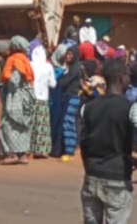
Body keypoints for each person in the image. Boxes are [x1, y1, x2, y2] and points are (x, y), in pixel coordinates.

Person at [80, 59, 137, 224]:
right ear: (121, 78)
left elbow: (84, 142)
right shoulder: (130, 108)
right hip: (117, 180)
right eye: (127, 75)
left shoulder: (88, 107)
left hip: (91, 177)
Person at [0, 36, 35, 165]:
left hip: (15, 97)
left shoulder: (14, 60)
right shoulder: (25, 60)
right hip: (26, 97)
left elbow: (14, 80)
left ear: (14, 47)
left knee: (7, 125)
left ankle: (11, 154)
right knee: (23, 126)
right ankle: (23, 155)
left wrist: (5, 84)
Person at [29, 44, 56, 158]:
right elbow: (53, 84)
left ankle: (27, 148)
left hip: (30, 98)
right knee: (41, 124)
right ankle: (40, 150)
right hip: (43, 98)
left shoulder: (29, 64)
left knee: (30, 123)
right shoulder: (48, 66)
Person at [59, 45, 82, 162]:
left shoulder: (74, 68)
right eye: (67, 54)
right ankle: (69, 148)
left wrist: (59, 79)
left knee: (67, 123)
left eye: (70, 54)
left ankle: (69, 150)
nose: (68, 56)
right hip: (70, 97)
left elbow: (64, 82)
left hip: (71, 97)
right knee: (69, 122)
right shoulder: (72, 67)